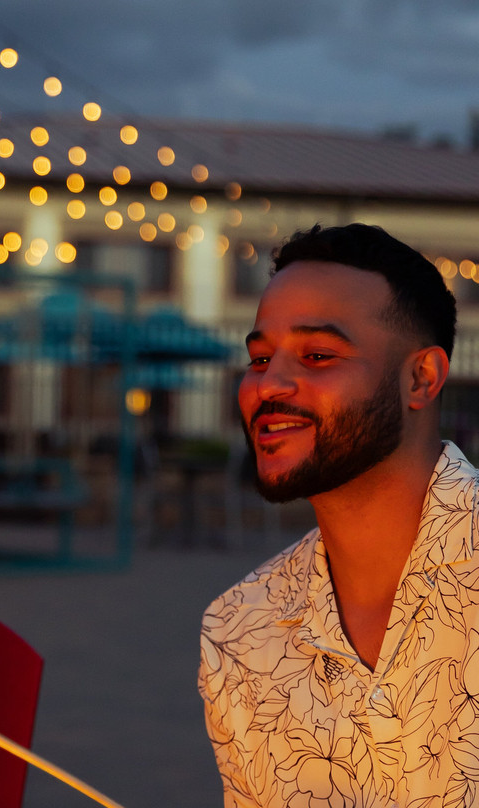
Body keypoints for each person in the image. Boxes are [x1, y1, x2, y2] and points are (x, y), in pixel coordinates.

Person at [198, 223, 479, 806]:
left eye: (318, 354)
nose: (268, 385)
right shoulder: (240, 631)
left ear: (420, 378)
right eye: (258, 358)